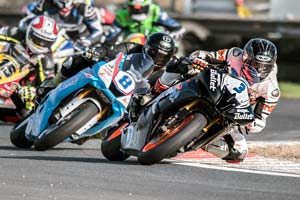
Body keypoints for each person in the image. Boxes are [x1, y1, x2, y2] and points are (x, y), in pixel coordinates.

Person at [154, 38, 280, 163]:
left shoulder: (271, 90)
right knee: (181, 64)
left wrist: (248, 121)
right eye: (256, 64)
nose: (259, 69)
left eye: (265, 66)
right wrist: (198, 59)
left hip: (228, 110)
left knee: (239, 152)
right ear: (246, 57)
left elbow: (259, 120)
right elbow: (205, 55)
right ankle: (154, 92)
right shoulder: (234, 54)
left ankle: (195, 140)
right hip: (211, 85)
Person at [0, 15, 59, 115]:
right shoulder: (14, 33)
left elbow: (47, 85)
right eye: (38, 39)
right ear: (30, 33)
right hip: (3, 60)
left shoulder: (46, 58)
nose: (40, 44)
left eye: (45, 42)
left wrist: (33, 91)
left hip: (18, 86)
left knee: (28, 111)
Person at [20, 0, 104, 48]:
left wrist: (87, 41)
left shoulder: (84, 8)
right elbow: (28, 21)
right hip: (50, 43)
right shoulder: (44, 4)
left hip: (77, 43)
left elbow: (98, 31)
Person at [107, 0, 185, 43]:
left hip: (156, 46)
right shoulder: (122, 14)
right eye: (133, 8)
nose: (137, 11)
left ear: (148, 5)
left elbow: (179, 29)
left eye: (141, 8)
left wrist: (168, 38)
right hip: (130, 46)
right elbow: (111, 36)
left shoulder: (156, 11)